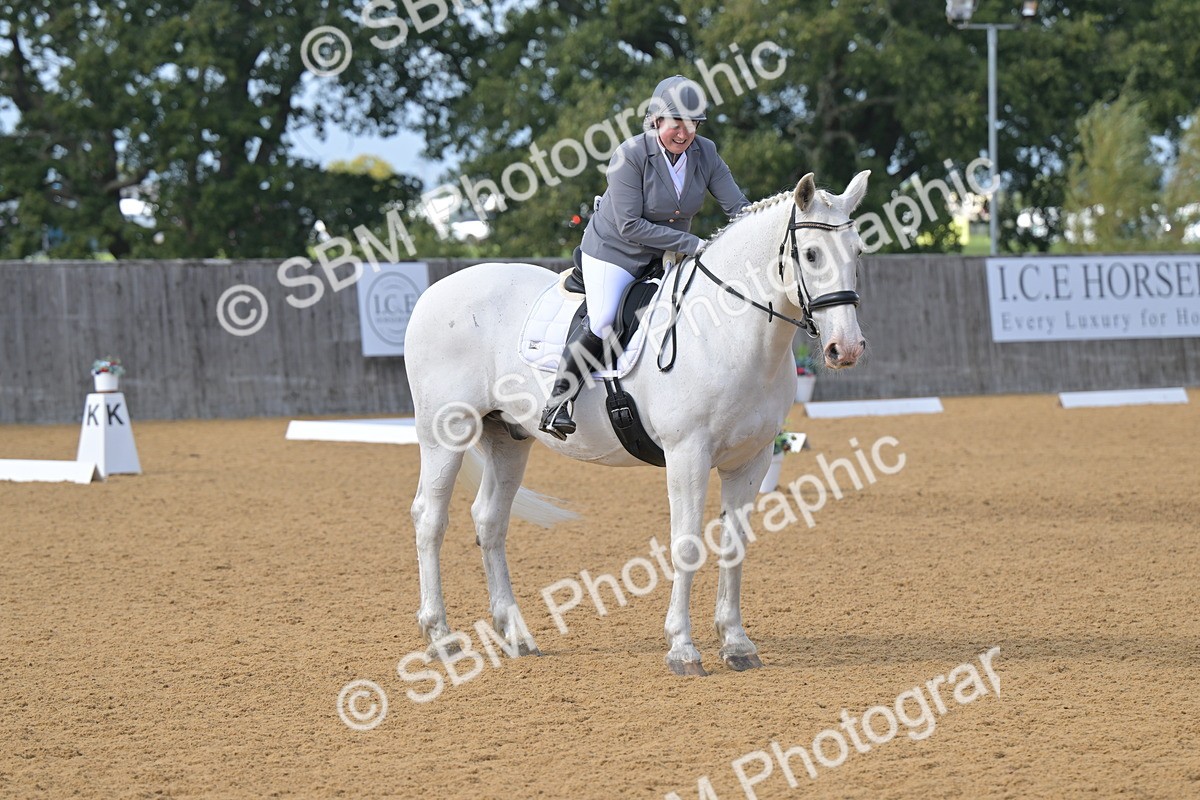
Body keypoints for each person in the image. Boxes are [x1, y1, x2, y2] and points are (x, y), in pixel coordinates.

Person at [538, 75, 751, 440]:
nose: (684, 134)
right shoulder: (631, 155)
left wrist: (762, 228)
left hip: (667, 254)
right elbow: (630, 225)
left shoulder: (707, 154)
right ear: (656, 122)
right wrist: (690, 243)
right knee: (605, 317)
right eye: (676, 124)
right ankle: (559, 399)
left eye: (693, 125)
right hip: (614, 251)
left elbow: (738, 207)